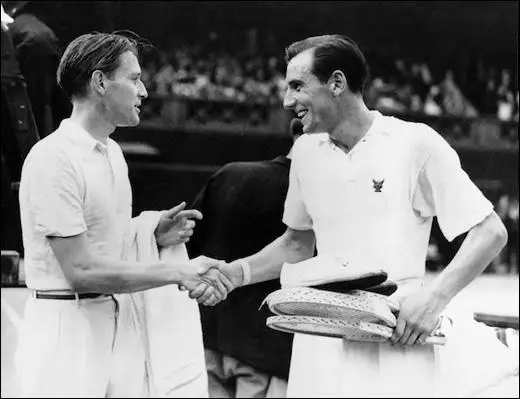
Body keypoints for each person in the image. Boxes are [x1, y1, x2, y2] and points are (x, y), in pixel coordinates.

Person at [190, 34, 518, 397]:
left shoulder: (414, 142)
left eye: (298, 85)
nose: (287, 101)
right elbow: (297, 243)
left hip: (396, 339)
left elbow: (490, 232)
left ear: (336, 83)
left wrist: (435, 298)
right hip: (317, 345)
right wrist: (236, 274)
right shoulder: (305, 153)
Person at [15, 32, 231, 398]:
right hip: (63, 334)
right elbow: (81, 271)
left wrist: (151, 234)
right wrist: (180, 271)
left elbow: (101, 240)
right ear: (100, 82)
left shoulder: (113, 153)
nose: (144, 91)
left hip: (114, 327)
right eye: (134, 79)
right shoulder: (53, 158)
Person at [187, 119, 303, 398]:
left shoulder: (229, 174)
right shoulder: (313, 194)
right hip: (268, 350)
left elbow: (187, 251)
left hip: (209, 340)